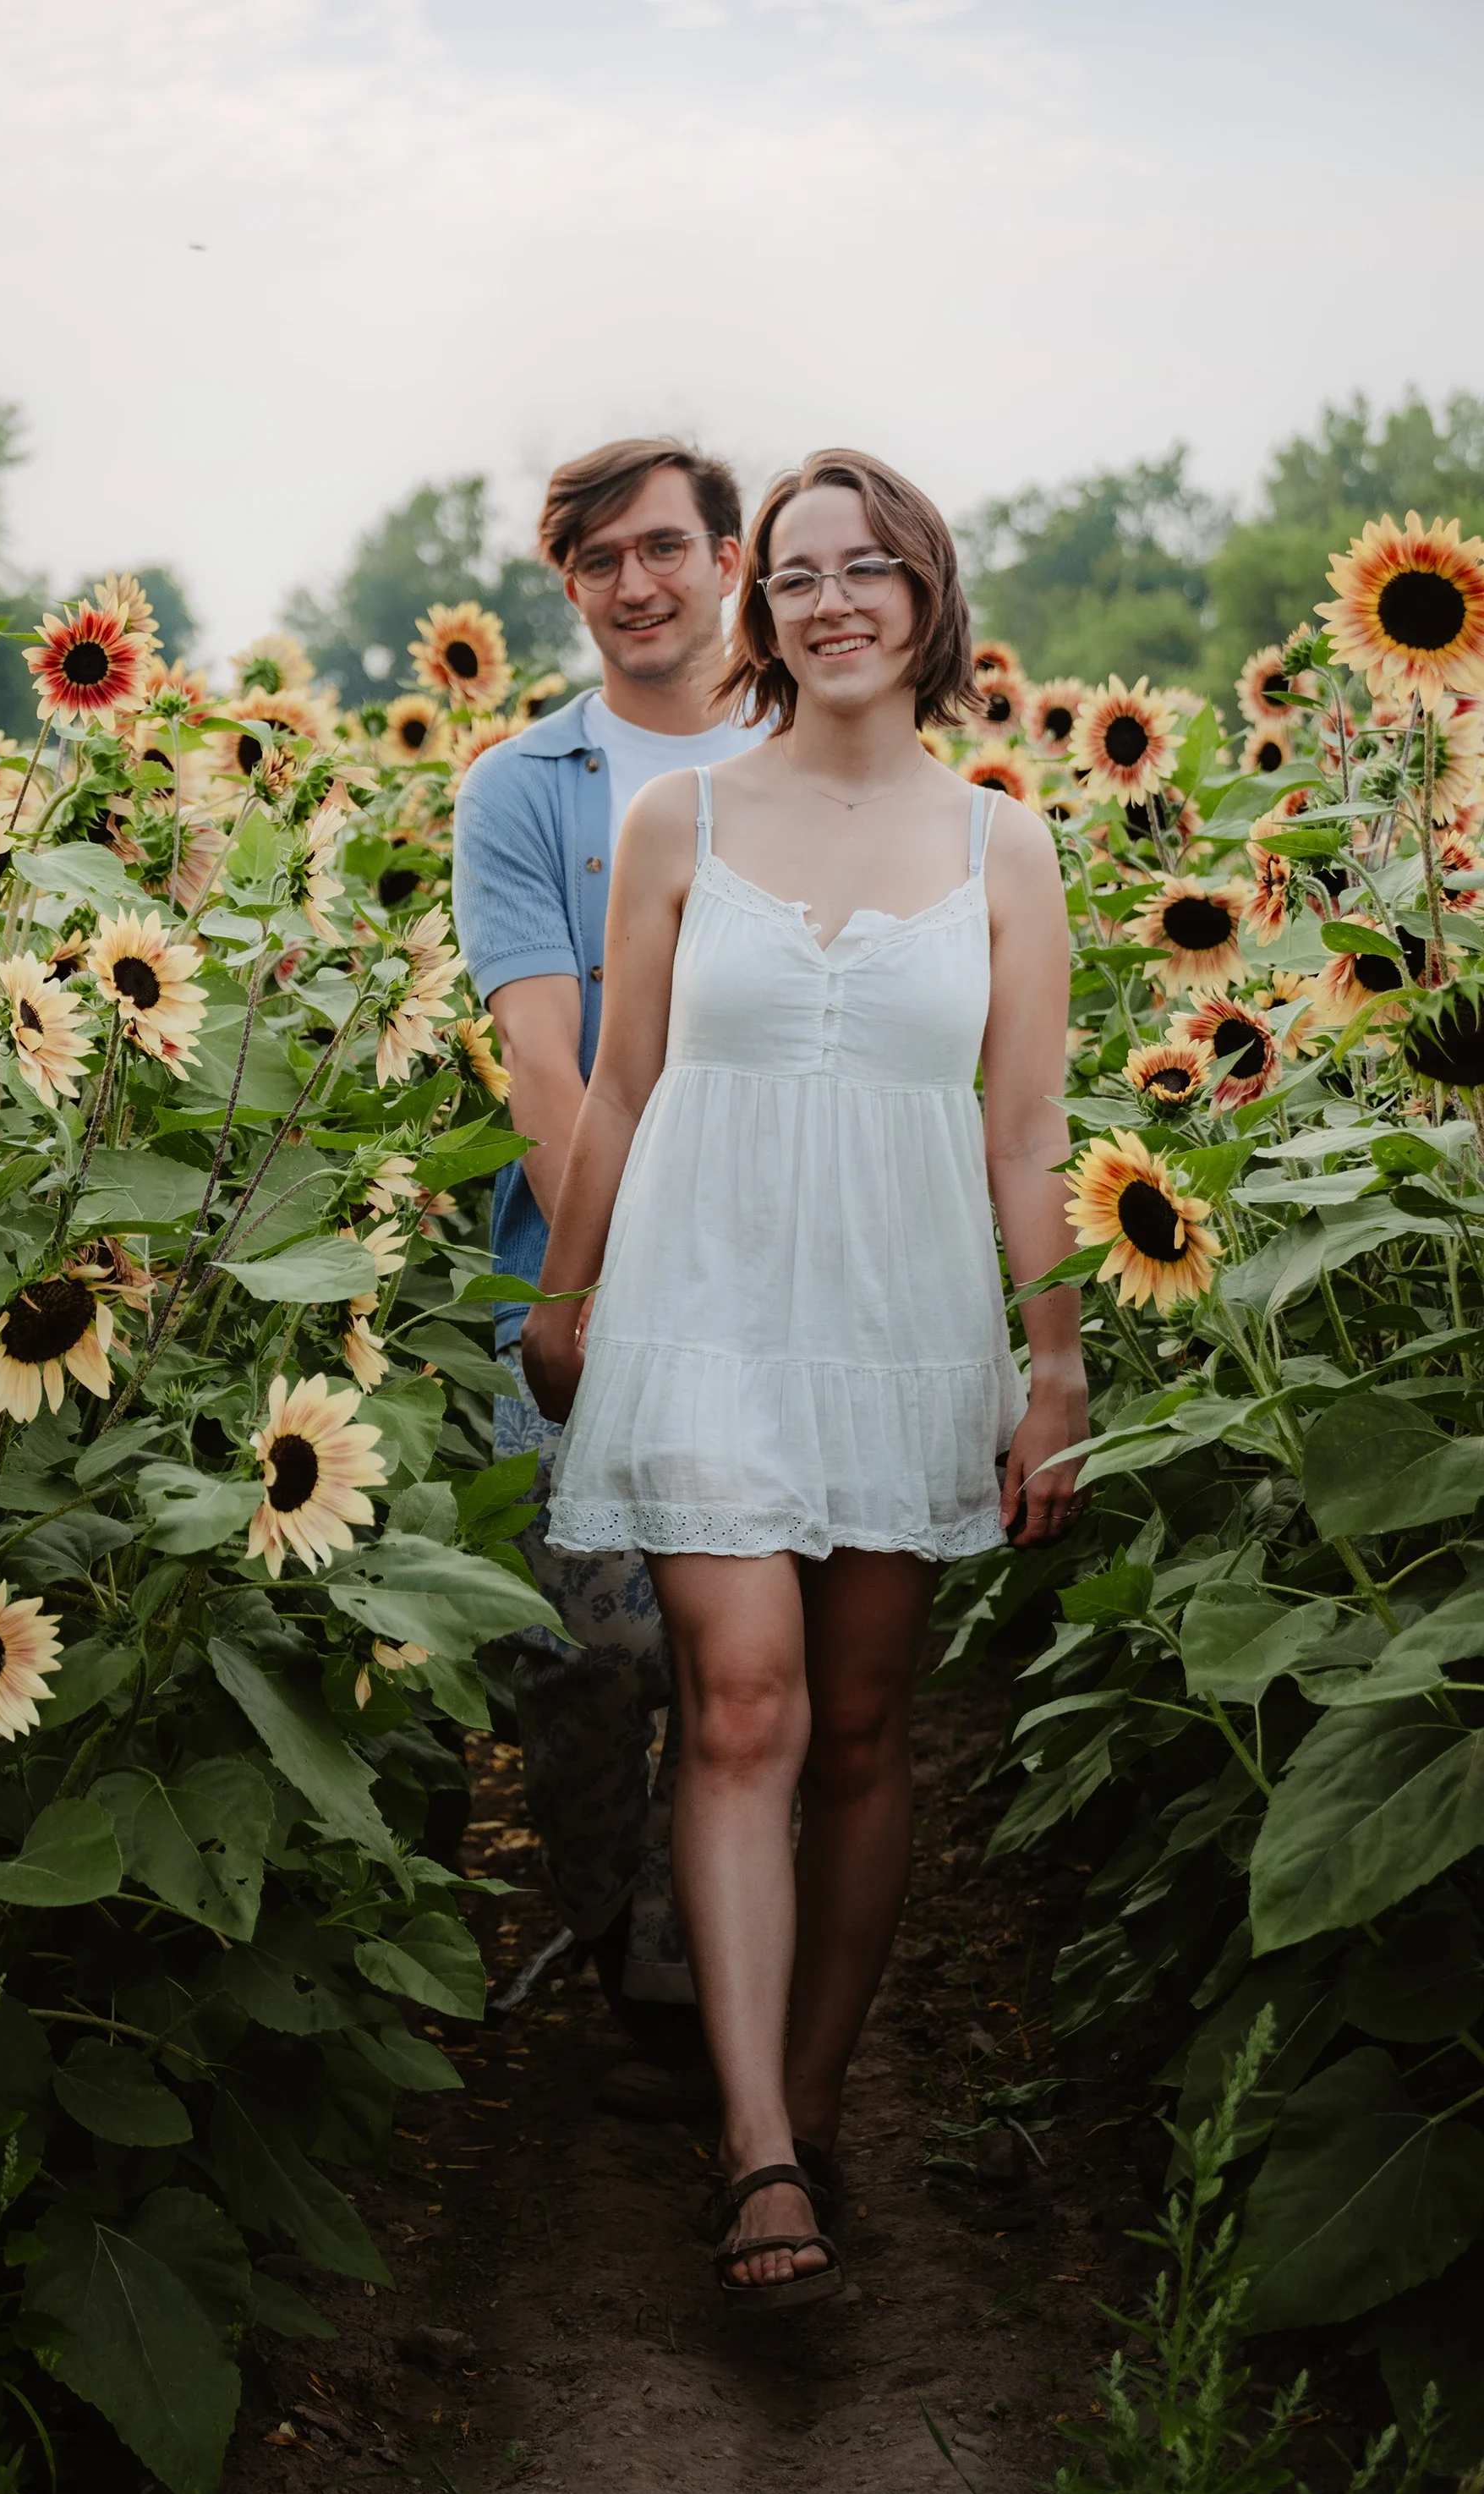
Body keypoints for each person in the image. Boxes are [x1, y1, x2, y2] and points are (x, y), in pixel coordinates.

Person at [522, 448, 1088, 2310]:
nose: (832, 600)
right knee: (744, 1704)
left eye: (870, 569)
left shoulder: (1004, 845)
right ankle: (755, 2136)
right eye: (797, 574)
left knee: (858, 1731)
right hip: (702, 1307)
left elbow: (1026, 1136)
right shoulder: (683, 821)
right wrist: (571, 1292)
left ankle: (820, 2090)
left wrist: (1057, 1368)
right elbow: (618, 1086)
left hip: (904, 1320)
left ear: (928, 595)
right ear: (761, 613)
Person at [452, 438, 766, 2091]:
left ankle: (684, 1975)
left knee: (742, 1656)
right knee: (586, 1653)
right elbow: (545, 1064)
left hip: (795, 1284)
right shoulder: (528, 787)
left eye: (663, 547)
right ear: (569, 587)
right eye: (598, 561)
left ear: (730, 554)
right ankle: (608, 1911)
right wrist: (622, 1276)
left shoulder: (806, 753)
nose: (635, 585)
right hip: (575, 1276)